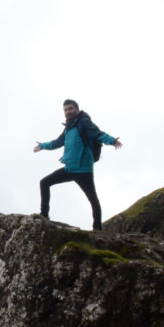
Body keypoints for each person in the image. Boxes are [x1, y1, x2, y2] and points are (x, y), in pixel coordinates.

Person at [34, 99, 122, 231]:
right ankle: (44, 215)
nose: (68, 111)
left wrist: (112, 141)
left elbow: (97, 134)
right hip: (70, 169)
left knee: (93, 199)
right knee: (44, 182)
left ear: (77, 109)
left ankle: (97, 229)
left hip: (84, 170)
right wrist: (42, 146)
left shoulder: (83, 122)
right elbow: (57, 142)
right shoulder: (68, 128)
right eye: (66, 110)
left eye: (70, 109)